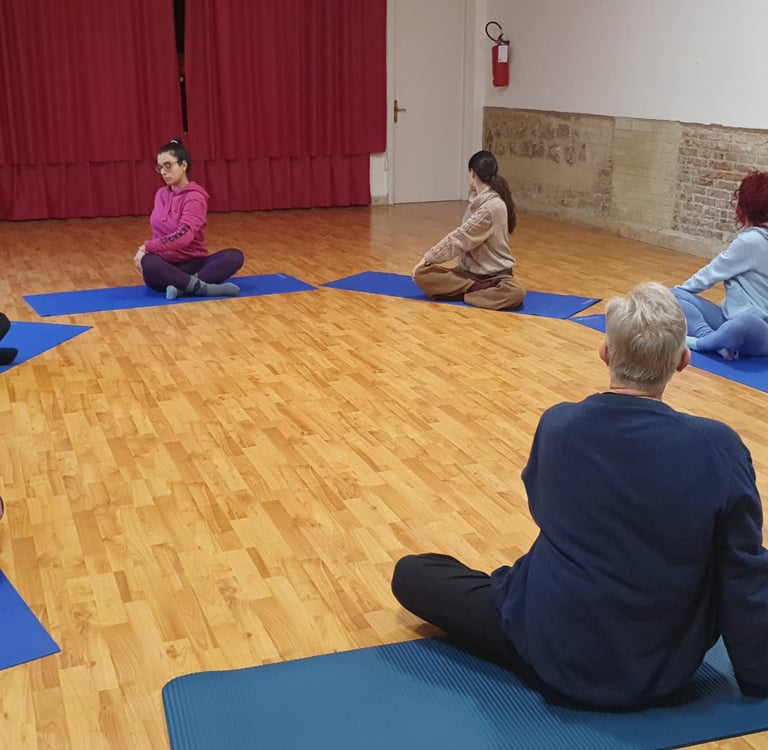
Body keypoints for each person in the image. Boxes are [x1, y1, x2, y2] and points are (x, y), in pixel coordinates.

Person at [391, 281, 768, 710]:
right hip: (665, 668)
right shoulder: (718, 446)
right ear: (683, 360)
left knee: (413, 573)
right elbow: (743, 568)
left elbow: (543, 506)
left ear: (605, 353)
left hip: (550, 646)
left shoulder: (559, 425)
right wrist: (758, 677)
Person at [411, 150, 525, 310]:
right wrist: (427, 261)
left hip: (496, 276)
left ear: (473, 174)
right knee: (423, 275)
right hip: (467, 274)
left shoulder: (492, 207)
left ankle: (470, 291)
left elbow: (460, 238)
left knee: (515, 293)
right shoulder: (476, 201)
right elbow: (460, 237)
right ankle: (476, 289)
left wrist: (427, 258)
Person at [672, 171, 768, 359]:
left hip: (758, 331)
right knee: (672, 296)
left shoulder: (751, 241)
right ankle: (715, 340)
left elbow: (710, 274)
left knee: (744, 323)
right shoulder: (752, 240)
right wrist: (678, 294)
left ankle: (701, 343)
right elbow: (711, 273)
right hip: (727, 318)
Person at [133, 138, 244, 300]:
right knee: (149, 263)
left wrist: (146, 247)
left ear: (183, 165)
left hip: (194, 264)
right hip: (165, 266)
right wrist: (148, 252)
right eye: (160, 167)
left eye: (168, 166)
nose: (163, 172)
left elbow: (184, 236)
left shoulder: (195, 197)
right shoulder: (160, 194)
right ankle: (203, 287)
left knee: (234, 256)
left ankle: (182, 287)